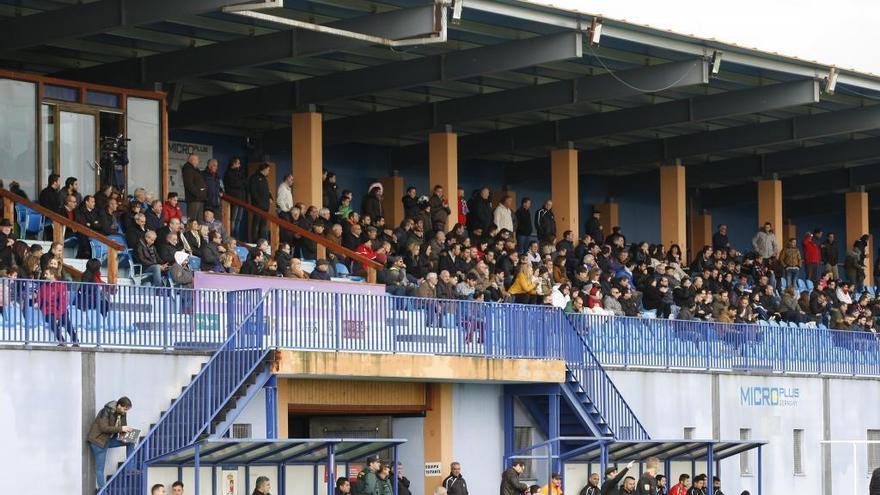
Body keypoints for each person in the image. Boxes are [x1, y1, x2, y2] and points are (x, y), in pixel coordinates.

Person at [88, 397, 134, 490]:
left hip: (108, 440)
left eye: (127, 410)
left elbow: (122, 428)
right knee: (100, 470)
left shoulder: (123, 413)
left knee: (130, 443)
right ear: (119, 405)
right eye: (125, 409)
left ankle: (129, 469)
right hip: (98, 441)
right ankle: (103, 492)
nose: (126, 411)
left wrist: (126, 434)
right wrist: (121, 429)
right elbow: (104, 428)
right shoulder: (105, 411)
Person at [224, 157, 247, 238]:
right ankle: (231, 236)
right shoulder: (228, 173)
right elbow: (235, 184)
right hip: (234, 198)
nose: (239, 165)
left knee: (239, 220)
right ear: (233, 163)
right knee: (233, 219)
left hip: (241, 199)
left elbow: (245, 182)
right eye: (238, 163)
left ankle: (236, 237)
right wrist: (241, 183)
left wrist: (241, 182)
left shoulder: (240, 172)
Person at [248, 163, 272, 242]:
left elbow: (267, 191)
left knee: (263, 225)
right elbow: (253, 191)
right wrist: (258, 202)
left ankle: (262, 241)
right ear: (264, 169)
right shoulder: (254, 177)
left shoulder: (265, 179)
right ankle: (255, 241)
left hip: (265, 206)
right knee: (256, 224)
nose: (268, 172)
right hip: (258, 205)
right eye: (268, 170)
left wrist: (270, 197)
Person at [182, 153, 207, 221]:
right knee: (192, 221)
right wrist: (197, 194)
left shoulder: (195, 169)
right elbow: (189, 184)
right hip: (193, 199)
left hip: (199, 199)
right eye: (194, 160)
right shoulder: (187, 169)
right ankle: (190, 232)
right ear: (190, 160)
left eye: (197, 160)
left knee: (199, 221)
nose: (196, 161)